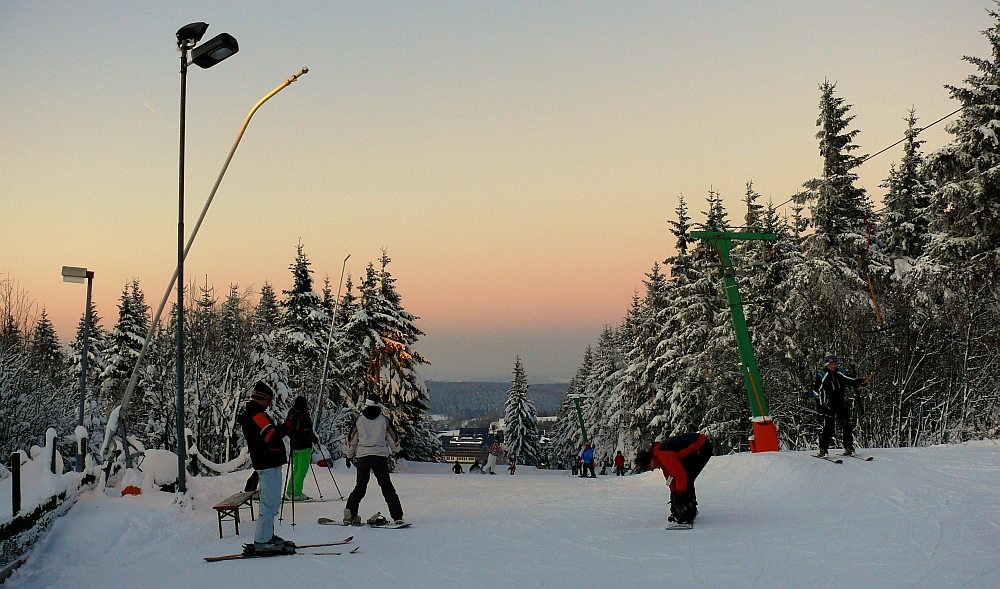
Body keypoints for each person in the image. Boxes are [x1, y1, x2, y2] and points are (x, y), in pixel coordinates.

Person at [240, 381, 297, 554]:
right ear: (263, 398)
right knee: (270, 503)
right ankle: (263, 540)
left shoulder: (254, 414)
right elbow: (271, 436)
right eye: (270, 400)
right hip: (267, 463)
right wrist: (288, 426)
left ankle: (267, 536)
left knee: (270, 502)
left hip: (267, 462)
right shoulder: (257, 415)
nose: (270, 404)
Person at [344, 394, 404, 526]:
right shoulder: (383, 420)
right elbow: (392, 437)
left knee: (360, 487)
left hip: (363, 457)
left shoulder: (360, 420)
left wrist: (349, 456)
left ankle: (350, 513)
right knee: (387, 487)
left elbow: (352, 439)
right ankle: (397, 516)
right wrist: (396, 451)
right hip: (379, 457)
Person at [634, 433, 713, 526]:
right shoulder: (659, 458)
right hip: (696, 448)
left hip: (701, 446)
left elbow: (681, 476)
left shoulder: (663, 455)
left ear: (650, 460)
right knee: (685, 481)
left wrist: (679, 495)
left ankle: (687, 512)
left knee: (686, 479)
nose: (651, 470)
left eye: (648, 467)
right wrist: (673, 494)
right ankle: (688, 508)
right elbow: (671, 478)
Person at [812, 352, 865, 457]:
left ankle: (848, 447)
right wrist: (820, 405)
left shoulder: (840, 372)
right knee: (829, 426)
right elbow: (816, 391)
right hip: (828, 404)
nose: (834, 365)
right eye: (832, 363)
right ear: (827, 364)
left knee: (846, 424)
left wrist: (860, 382)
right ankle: (823, 449)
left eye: (836, 363)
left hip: (840, 402)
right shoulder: (822, 374)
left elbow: (850, 380)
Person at [284, 395, 320, 501]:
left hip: (294, 445)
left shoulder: (291, 413)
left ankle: (289, 491)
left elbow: (287, 429)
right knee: (302, 470)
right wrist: (315, 440)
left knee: (296, 469)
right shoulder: (304, 415)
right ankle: (297, 493)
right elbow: (307, 431)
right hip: (304, 446)